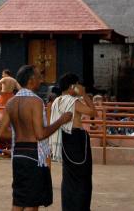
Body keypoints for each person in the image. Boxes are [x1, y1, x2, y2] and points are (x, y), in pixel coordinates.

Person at [0, 65, 71, 211]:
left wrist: (19, 135)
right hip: (34, 155)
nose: (41, 80)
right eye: (39, 77)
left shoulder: (11, 102)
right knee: (32, 202)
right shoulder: (35, 101)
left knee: (18, 200)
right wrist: (61, 120)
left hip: (17, 153)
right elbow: (40, 134)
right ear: (31, 80)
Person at [49, 73, 96, 211]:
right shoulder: (72, 101)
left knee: (69, 177)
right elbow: (94, 113)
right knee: (83, 178)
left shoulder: (57, 101)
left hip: (64, 139)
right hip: (77, 139)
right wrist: (85, 95)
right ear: (72, 87)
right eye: (78, 84)